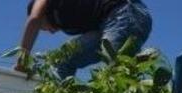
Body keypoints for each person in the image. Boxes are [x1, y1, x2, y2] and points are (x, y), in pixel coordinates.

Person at [17, 0, 152, 78]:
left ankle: (131, 65)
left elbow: (33, 19)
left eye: (43, 27)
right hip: (108, 25)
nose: (50, 32)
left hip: (125, 12)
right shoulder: (71, 21)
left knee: (115, 75)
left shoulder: (45, 4)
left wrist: (22, 61)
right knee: (61, 60)